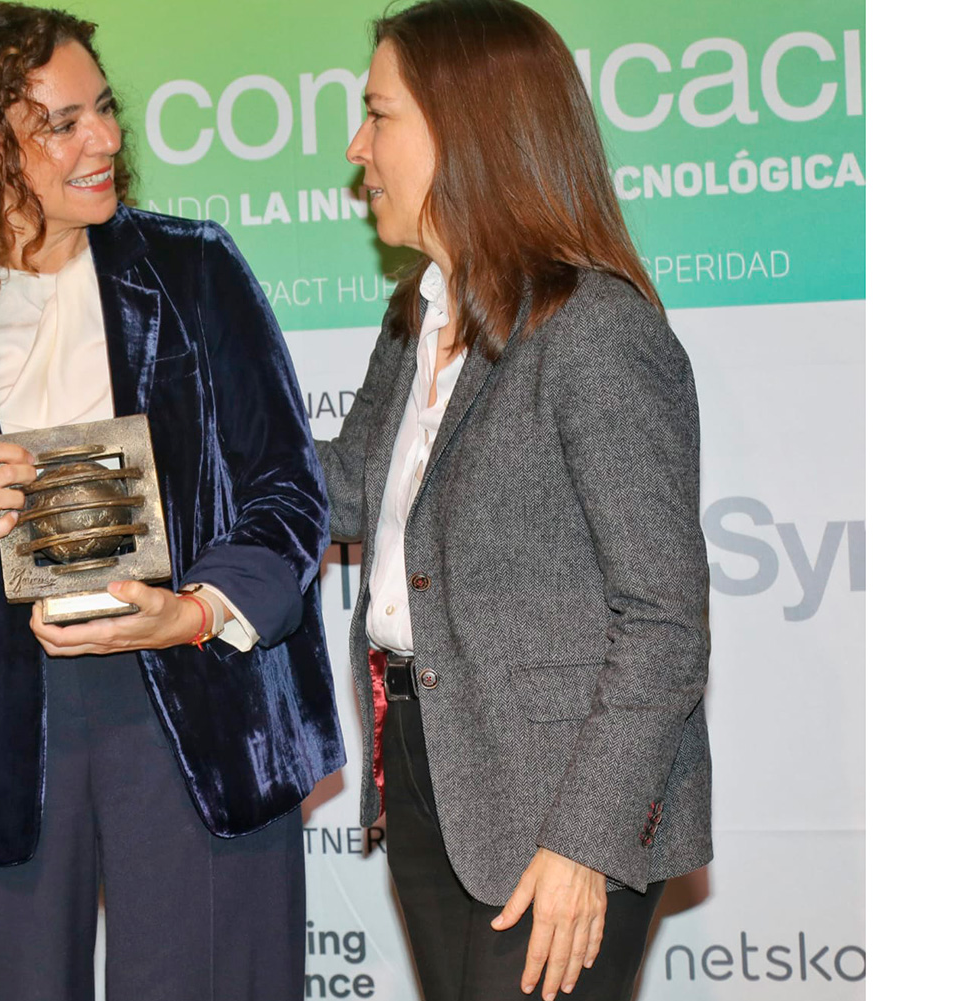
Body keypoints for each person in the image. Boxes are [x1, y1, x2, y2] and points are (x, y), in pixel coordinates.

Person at [0, 4, 343, 997]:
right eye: (61, 122)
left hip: (199, 708)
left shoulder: (194, 271)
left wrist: (193, 610)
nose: (105, 139)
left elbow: (287, 493)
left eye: (103, 110)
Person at [314, 2, 713, 999]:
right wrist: (167, 441)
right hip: (427, 771)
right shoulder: (417, 313)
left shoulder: (594, 333)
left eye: (379, 115)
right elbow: (342, 496)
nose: (356, 147)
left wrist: (584, 843)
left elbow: (663, 616)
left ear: (466, 129)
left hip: (558, 802)